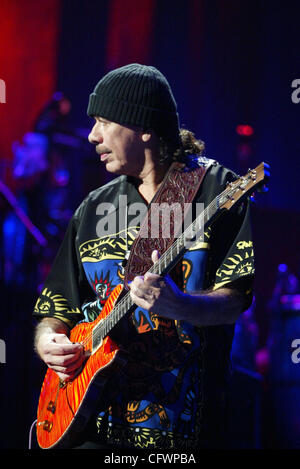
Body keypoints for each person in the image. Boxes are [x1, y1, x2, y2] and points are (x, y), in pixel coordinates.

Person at [33, 63, 255, 450]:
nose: (91, 136)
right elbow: (58, 306)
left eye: (103, 121)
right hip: (91, 427)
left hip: (186, 434)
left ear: (145, 127)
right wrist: (48, 340)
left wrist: (180, 305)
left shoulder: (216, 189)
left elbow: (236, 300)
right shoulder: (93, 207)